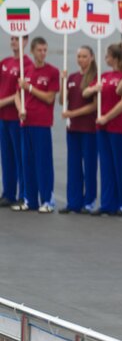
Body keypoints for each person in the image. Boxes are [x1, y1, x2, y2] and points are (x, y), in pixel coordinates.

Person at [84, 42, 122, 217]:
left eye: (108, 55)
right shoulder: (103, 76)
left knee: (117, 165)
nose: (105, 58)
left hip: (117, 126)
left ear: (116, 58)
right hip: (101, 126)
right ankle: (106, 203)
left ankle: (121, 203)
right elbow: (86, 93)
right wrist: (92, 89)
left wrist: (107, 117)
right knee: (105, 165)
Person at [13, 37, 59, 213]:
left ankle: (47, 200)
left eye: (45, 50)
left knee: (43, 162)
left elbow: (49, 98)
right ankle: (30, 199)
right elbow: (17, 94)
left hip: (42, 123)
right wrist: (20, 109)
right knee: (27, 162)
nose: (42, 53)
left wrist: (30, 88)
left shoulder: (52, 72)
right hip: (26, 122)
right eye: (39, 50)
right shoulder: (27, 70)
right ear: (32, 51)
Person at [59, 46, 97, 214]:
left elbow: (94, 106)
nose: (81, 59)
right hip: (73, 128)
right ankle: (73, 202)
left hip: (89, 128)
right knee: (73, 165)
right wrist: (63, 82)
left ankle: (89, 201)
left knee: (89, 166)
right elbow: (62, 101)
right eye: (79, 56)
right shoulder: (73, 77)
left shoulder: (95, 78)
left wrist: (73, 113)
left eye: (84, 56)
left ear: (91, 58)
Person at [0, 35, 30, 207]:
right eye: (11, 39)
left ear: (25, 42)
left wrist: (3, 102)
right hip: (2, 118)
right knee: (6, 157)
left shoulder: (26, 65)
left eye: (17, 39)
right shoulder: (4, 62)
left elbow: (20, 93)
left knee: (20, 156)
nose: (14, 42)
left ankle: (24, 193)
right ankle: (8, 193)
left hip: (16, 117)